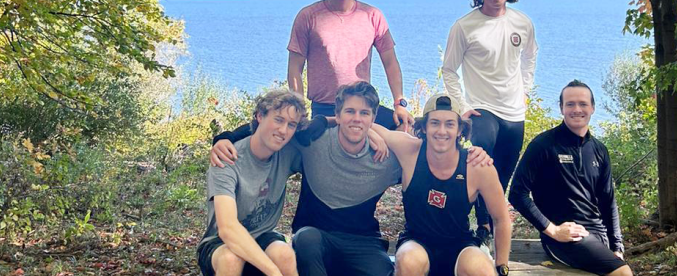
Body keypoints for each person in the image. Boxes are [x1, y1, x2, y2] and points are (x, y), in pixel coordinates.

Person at [210, 82, 493, 276]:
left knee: (383, 270)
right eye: (349, 112)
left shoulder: (389, 158)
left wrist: (470, 154)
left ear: (373, 119)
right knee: (305, 240)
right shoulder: (310, 142)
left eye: (364, 114)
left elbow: (430, 160)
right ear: (337, 114)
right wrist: (225, 137)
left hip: (362, 240)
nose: (356, 119)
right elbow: (269, 129)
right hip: (315, 235)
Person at [441, 0, 538, 245]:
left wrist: (526, 92)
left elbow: (530, 57)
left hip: (514, 111)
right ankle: (481, 226)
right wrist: (460, 106)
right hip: (481, 109)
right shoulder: (464, 26)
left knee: (503, 173)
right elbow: (449, 69)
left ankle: (494, 224)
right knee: (482, 168)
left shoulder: (522, 22)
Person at [373, 93, 512, 276]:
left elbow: (501, 219)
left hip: (460, 246)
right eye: (435, 123)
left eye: (449, 124)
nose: (442, 131)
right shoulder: (410, 150)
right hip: (417, 242)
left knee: (482, 271)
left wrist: (501, 266)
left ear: (460, 130)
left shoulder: (477, 165)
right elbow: (365, 125)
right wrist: (369, 134)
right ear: (424, 127)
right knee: (407, 261)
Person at [509, 80, 632, 276]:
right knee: (623, 273)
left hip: (597, 235)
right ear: (561, 108)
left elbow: (608, 201)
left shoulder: (599, 150)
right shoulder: (544, 145)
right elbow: (517, 193)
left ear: (592, 108)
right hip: (565, 238)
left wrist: (617, 246)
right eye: (570, 104)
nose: (577, 109)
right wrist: (553, 230)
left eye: (583, 104)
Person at [288, 0, 413, 130]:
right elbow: (294, 68)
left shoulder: (372, 16)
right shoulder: (308, 16)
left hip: (362, 109)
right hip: (324, 109)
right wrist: (299, 110)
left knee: (406, 129)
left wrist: (399, 103)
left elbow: (390, 63)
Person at [197, 90, 306, 276]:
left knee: (284, 254)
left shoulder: (288, 152)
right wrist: (273, 272)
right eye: (278, 120)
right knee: (231, 259)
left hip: (263, 235)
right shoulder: (227, 157)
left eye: (291, 125)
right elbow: (227, 229)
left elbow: (328, 132)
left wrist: (370, 129)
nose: (283, 131)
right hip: (219, 243)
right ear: (260, 116)